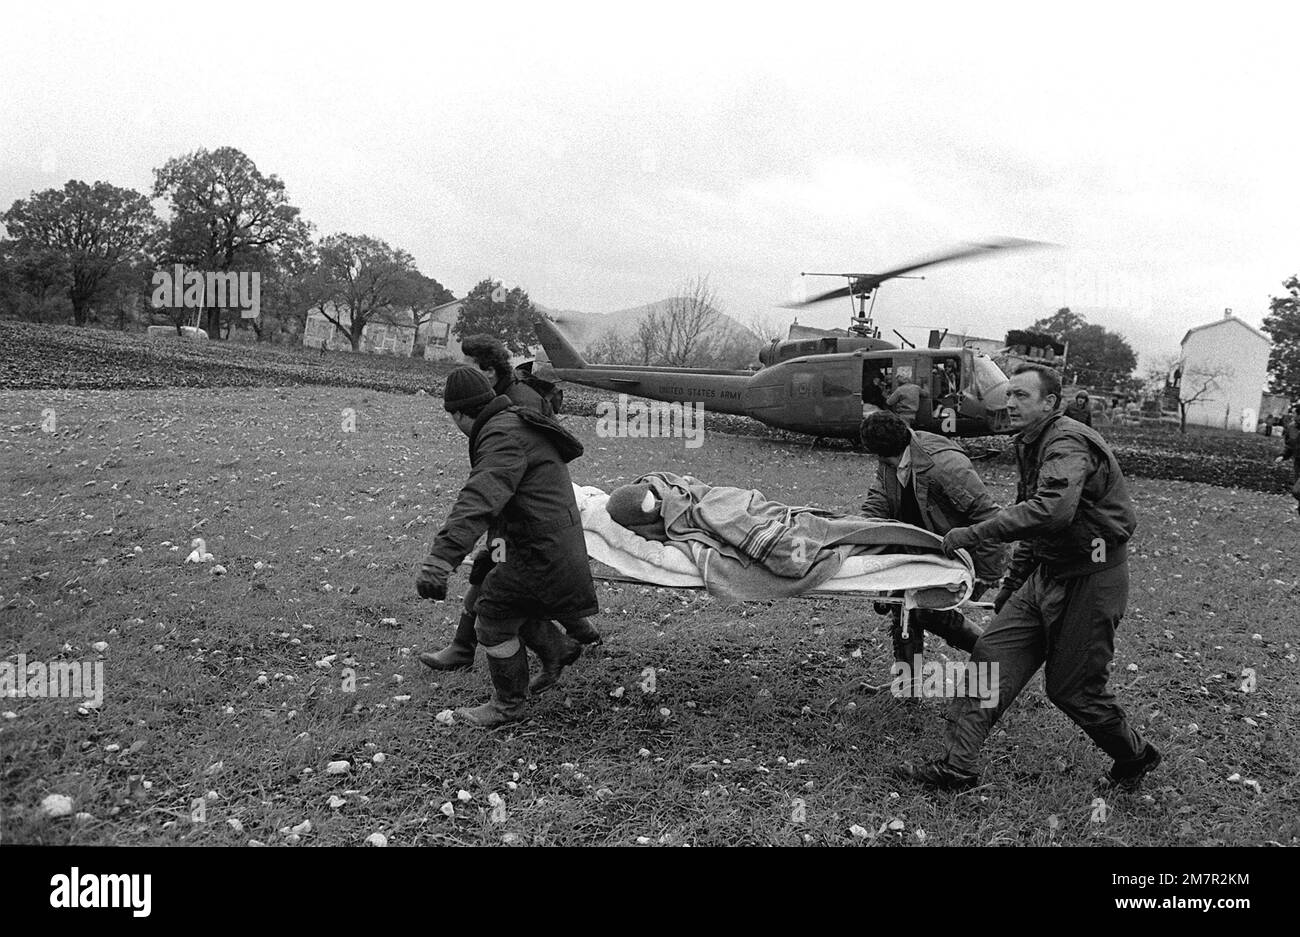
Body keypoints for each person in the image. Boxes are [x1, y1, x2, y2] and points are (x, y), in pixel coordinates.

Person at [895, 362, 1159, 791]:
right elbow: (1036, 525)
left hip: (1091, 580)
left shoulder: (1068, 440)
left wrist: (973, 533)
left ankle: (1135, 755)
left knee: (1073, 691)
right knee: (990, 659)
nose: (1010, 402)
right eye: (1009, 393)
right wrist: (1012, 587)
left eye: (1022, 396)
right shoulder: (1031, 442)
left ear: (1050, 403)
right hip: (1046, 575)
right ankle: (956, 768)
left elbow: (1053, 511)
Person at [415, 368, 599, 726]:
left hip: (540, 550)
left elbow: (480, 497)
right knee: (492, 579)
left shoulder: (502, 436)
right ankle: (557, 649)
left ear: (458, 414)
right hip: (540, 542)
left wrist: (441, 559)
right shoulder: (511, 422)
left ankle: (509, 705)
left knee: (495, 618)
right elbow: (510, 501)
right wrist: (489, 551)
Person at [858, 411, 1006, 670]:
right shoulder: (891, 461)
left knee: (926, 611)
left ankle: (996, 657)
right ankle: (909, 685)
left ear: (878, 451)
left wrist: (986, 573)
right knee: (905, 605)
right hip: (921, 548)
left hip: (959, 551)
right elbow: (880, 497)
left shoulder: (944, 466)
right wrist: (859, 531)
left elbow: (989, 517)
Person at [1277, 406, 1300, 514]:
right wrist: (1283, 455)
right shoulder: (1291, 427)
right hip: (1297, 462)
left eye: (1295, 414)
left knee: (1297, 490)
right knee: (1297, 486)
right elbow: (1290, 445)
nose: (1292, 415)